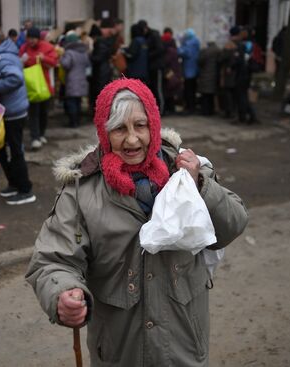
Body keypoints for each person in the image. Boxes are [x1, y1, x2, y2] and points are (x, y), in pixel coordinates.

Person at [26, 78, 249, 366]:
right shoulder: (82, 191)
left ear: (153, 126)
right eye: (119, 129)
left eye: (140, 126)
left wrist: (201, 185)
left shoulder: (186, 171)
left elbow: (232, 225)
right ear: (105, 134)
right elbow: (52, 260)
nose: (131, 140)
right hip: (120, 351)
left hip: (183, 348)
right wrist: (62, 291)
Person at [0, 29, 36, 205]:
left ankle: (25, 190)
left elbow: (15, 78)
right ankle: (13, 183)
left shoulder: (5, 57)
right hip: (6, 111)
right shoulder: (3, 55)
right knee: (1, 148)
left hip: (13, 113)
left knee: (15, 151)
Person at [19, 27, 58, 150]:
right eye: (29, 38)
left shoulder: (47, 47)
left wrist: (43, 58)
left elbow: (54, 62)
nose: (31, 41)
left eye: (33, 38)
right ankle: (34, 138)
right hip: (31, 86)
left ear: (38, 38)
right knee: (33, 113)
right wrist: (22, 60)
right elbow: (19, 62)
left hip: (44, 86)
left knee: (43, 112)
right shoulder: (24, 48)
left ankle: (41, 134)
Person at [60, 33, 90, 128]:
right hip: (82, 80)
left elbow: (66, 64)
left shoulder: (69, 53)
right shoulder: (83, 52)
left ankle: (73, 123)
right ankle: (78, 121)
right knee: (78, 102)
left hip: (72, 81)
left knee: (71, 102)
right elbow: (88, 65)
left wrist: (61, 58)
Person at [138, 20, 165, 114]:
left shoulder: (154, 35)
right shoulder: (147, 36)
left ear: (146, 28)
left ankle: (161, 110)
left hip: (157, 66)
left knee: (158, 89)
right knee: (152, 89)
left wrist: (147, 55)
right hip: (150, 67)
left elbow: (160, 49)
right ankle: (154, 110)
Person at [178, 28, 201, 114]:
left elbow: (183, 52)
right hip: (193, 70)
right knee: (192, 89)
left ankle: (190, 108)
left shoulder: (189, 43)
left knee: (189, 90)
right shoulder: (195, 42)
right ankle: (191, 107)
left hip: (189, 70)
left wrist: (180, 44)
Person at [161, 28, 184, 115]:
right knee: (171, 91)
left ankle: (170, 109)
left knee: (169, 91)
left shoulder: (169, 51)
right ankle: (171, 108)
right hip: (175, 71)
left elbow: (166, 61)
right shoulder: (174, 49)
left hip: (171, 72)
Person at [197, 40, 220, 116]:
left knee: (205, 95)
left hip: (206, 75)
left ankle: (205, 111)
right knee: (211, 95)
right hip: (214, 75)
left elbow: (200, 61)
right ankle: (211, 111)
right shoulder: (218, 50)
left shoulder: (206, 51)